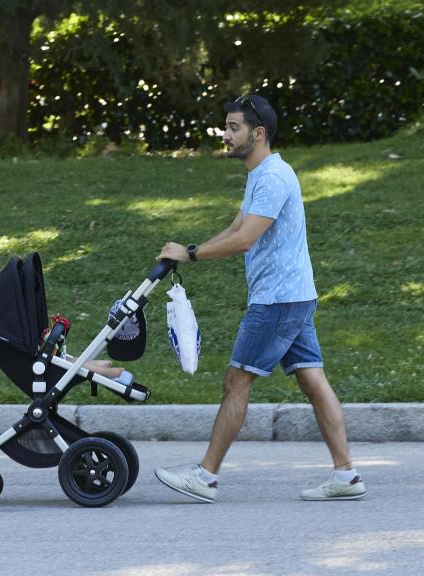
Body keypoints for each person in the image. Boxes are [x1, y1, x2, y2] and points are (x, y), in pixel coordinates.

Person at [153, 94, 366, 503]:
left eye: (234, 128)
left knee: (237, 380)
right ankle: (346, 475)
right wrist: (190, 250)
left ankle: (205, 476)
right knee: (312, 379)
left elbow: (246, 241)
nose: (226, 135)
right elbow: (236, 227)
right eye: (227, 126)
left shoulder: (272, 178)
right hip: (294, 295)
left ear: (259, 133)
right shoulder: (262, 175)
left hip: (277, 300)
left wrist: (191, 255)